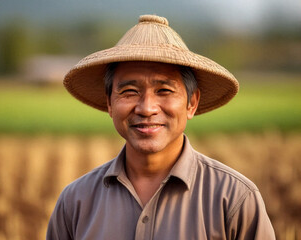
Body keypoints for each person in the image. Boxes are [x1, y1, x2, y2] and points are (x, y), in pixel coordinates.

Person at [47, 15, 275, 240]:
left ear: (192, 103)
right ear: (109, 103)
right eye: (129, 92)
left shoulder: (234, 199)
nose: (146, 108)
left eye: (164, 90)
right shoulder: (75, 202)